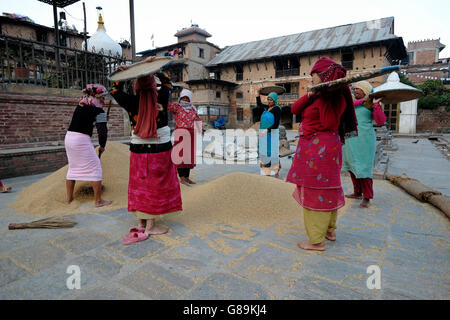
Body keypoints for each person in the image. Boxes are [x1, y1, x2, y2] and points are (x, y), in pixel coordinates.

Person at [286, 57, 358, 251]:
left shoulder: (335, 98)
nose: (311, 79)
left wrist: (323, 96)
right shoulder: (316, 94)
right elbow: (294, 109)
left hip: (320, 149)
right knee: (328, 187)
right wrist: (312, 95)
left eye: (314, 75)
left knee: (315, 190)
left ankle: (316, 241)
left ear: (324, 75)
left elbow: (327, 122)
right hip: (320, 148)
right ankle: (329, 230)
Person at [110, 58, 182, 244]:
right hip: (160, 151)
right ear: (153, 86)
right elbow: (168, 83)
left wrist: (125, 74)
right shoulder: (162, 98)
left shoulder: (131, 102)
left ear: (137, 88)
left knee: (140, 186)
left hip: (138, 152)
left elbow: (114, 90)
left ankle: (141, 222)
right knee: (155, 187)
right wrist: (154, 70)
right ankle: (150, 225)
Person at [65, 84, 112, 208]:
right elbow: (102, 131)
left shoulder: (82, 104)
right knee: (96, 168)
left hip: (69, 137)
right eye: (103, 96)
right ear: (98, 96)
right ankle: (98, 201)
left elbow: (87, 121)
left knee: (73, 168)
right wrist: (102, 145)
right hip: (81, 139)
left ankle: (69, 200)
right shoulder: (99, 109)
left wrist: (100, 119)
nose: (104, 99)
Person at [342, 81, 386, 208]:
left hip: (364, 139)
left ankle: (367, 196)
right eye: (354, 89)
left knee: (364, 168)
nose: (355, 91)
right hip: (350, 138)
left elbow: (381, 120)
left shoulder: (370, 104)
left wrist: (376, 105)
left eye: (358, 89)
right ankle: (357, 192)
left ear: (366, 91)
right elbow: (346, 106)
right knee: (351, 166)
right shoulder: (351, 103)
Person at [168, 89, 201, 186]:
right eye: (183, 98)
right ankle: (181, 177)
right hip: (181, 134)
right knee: (181, 156)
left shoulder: (193, 109)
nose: (185, 100)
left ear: (190, 99)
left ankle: (187, 177)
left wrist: (201, 130)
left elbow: (197, 120)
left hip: (191, 135)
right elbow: (167, 105)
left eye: (187, 98)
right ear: (180, 98)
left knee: (188, 157)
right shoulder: (177, 107)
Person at [256, 90, 281, 177]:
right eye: (268, 99)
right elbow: (259, 104)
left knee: (272, 152)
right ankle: (267, 170)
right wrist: (258, 94)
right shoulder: (267, 108)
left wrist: (266, 130)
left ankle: (276, 171)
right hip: (263, 134)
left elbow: (276, 124)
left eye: (271, 100)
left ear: (275, 100)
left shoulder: (277, 109)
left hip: (272, 133)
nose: (269, 101)